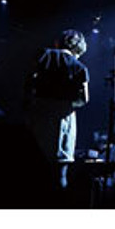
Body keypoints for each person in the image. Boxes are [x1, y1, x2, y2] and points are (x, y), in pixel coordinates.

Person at [25, 29, 90, 190]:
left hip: (39, 114)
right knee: (60, 172)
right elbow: (84, 98)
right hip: (63, 118)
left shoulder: (43, 55)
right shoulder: (79, 67)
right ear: (78, 48)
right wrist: (68, 105)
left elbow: (28, 83)